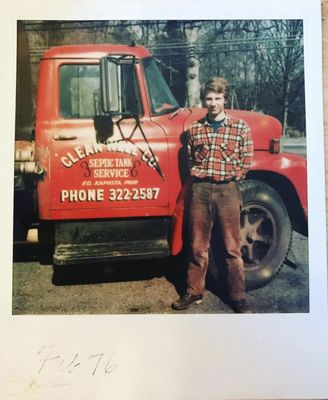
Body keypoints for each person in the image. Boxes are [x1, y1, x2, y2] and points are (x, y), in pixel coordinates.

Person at [172, 77, 254, 313]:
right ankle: (194, 292)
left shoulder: (240, 127)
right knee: (197, 246)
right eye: (209, 98)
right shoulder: (195, 130)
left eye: (218, 98)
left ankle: (237, 296)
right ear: (204, 100)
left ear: (225, 99)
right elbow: (189, 160)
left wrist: (233, 177)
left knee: (231, 247)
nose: (213, 103)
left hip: (228, 191)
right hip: (201, 190)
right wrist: (201, 176)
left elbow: (246, 160)